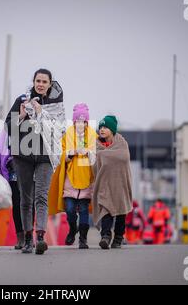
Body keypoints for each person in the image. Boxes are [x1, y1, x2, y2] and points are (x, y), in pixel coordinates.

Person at [5, 69, 66, 255]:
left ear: (49, 84)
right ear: (33, 82)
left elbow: (60, 129)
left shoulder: (57, 104)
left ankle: (40, 237)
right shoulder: (21, 100)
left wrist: (41, 113)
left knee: (41, 196)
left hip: (46, 156)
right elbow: (8, 126)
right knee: (25, 198)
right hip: (23, 155)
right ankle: (27, 239)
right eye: (38, 80)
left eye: (44, 81)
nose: (40, 84)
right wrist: (22, 116)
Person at [48, 103, 97, 249]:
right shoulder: (68, 134)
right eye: (77, 121)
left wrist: (88, 153)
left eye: (83, 121)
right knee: (69, 209)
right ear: (74, 121)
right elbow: (61, 154)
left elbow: (96, 154)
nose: (80, 124)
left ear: (87, 122)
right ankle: (72, 228)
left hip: (86, 180)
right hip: (70, 179)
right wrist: (70, 153)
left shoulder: (92, 135)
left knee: (83, 211)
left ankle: (83, 238)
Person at [93, 115, 133, 249]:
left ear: (112, 129)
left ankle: (118, 237)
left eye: (105, 127)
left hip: (120, 184)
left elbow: (124, 157)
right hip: (104, 184)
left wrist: (104, 156)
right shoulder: (96, 144)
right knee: (106, 209)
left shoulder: (122, 143)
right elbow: (93, 163)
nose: (102, 130)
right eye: (100, 127)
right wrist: (103, 156)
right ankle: (105, 236)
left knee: (121, 212)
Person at [0, 128, 26, 250]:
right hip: (13, 171)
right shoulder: (8, 129)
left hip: (29, 171)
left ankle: (28, 234)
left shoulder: (33, 124)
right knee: (17, 204)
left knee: (28, 204)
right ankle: (21, 236)